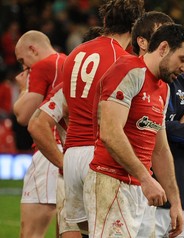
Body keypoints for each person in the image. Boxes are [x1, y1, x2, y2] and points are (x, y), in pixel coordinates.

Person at [83, 23, 184, 237]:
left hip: (140, 190)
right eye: (183, 59)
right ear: (163, 48)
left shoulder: (163, 88)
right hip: (112, 182)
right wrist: (146, 178)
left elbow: (160, 149)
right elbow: (110, 132)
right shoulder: (128, 70)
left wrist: (175, 202)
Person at [61, 0, 144, 234]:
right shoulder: (122, 59)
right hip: (98, 155)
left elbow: (67, 109)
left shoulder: (75, 53)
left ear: (105, 21)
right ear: (136, 24)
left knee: (88, 231)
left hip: (72, 154)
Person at [132, 11, 184, 237]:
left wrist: (164, 127)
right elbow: (133, 132)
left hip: (183, 197)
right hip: (144, 197)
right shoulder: (131, 78)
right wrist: (179, 125)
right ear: (144, 41)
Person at [27, 27, 103, 238]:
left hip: (73, 173)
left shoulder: (68, 87)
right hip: (98, 173)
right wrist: (62, 163)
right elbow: (34, 124)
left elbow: (35, 123)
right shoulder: (69, 87)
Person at [13, 30, 67, 238]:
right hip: (68, 150)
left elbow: (24, 116)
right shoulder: (67, 61)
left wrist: (23, 88)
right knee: (65, 231)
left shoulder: (43, 66)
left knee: (30, 233)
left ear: (33, 49)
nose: (23, 67)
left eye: (22, 60)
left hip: (48, 151)